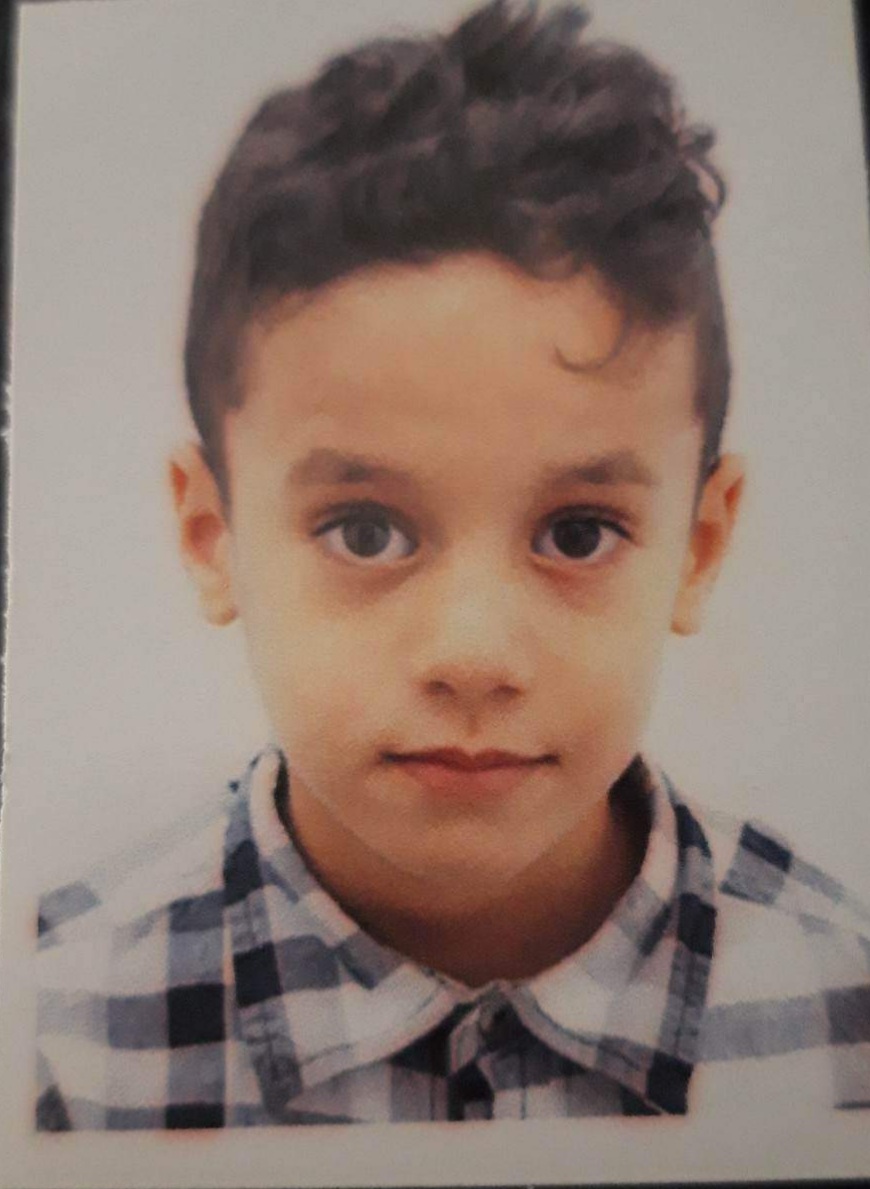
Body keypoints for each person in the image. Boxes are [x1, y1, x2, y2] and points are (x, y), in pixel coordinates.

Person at [35, 0, 870, 1129]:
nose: (472, 655)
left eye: (578, 532)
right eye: (365, 529)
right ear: (211, 535)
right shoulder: (52, 1039)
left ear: (699, 546)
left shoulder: (847, 1012)